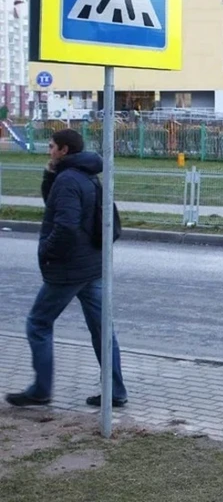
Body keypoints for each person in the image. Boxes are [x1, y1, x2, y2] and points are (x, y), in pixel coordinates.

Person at [4, 129, 128, 409]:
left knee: (38, 323)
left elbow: (66, 227)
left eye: (52, 147)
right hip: (91, 266)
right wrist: (50, 173)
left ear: (64, 150)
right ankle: (115, 391)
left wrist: (47, 251)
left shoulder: (70, 180)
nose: (48, 151)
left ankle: (41, 389)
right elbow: (57, 205)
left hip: (69, 269)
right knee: (102, 330)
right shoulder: (85, 175)